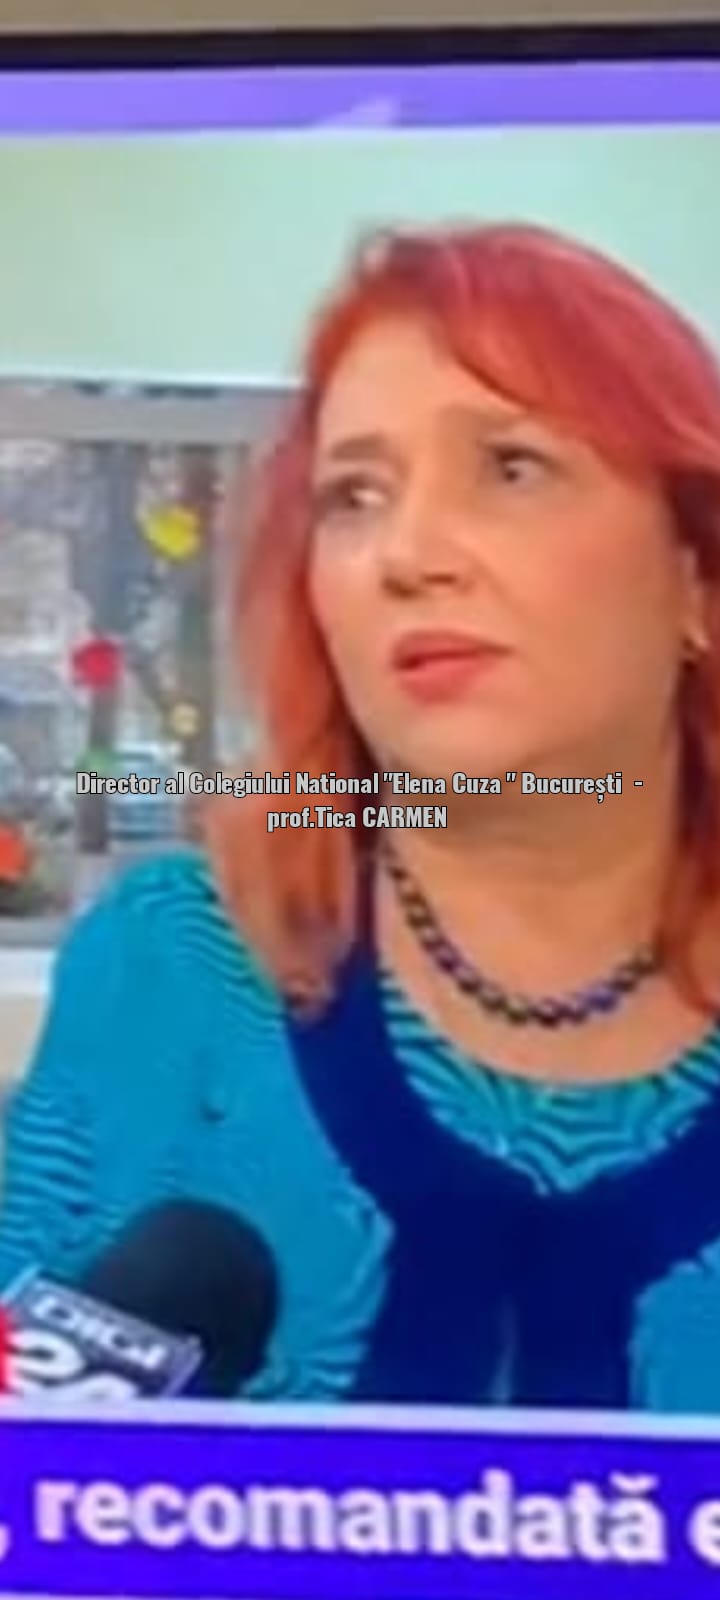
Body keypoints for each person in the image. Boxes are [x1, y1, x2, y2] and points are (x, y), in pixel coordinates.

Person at [2, 219, 720, 1411]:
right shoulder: (168, 968)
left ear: (698, 577)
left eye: (512, 467)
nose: (407, 553)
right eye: (355, 495)